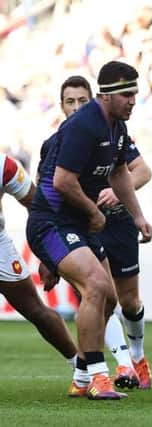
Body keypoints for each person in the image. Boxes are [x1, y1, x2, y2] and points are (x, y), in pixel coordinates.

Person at [27, 60, 152, 400]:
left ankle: (82, 377)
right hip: (51, 222)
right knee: (96, 285)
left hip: (77, 223)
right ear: (108, 95)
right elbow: (62, 182)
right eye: (127, 94)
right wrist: (94, 215)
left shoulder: (116, 127)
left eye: (135, 94)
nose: (133, 100)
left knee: (109, 297)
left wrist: (138, 216)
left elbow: (120, 174)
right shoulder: (85, 126)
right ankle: (99, 378)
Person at [0, 153, 78, 370]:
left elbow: (37, 208)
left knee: (35, 309)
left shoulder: (4, 165)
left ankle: (80, 367)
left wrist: (47, 255)